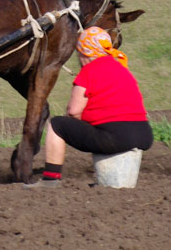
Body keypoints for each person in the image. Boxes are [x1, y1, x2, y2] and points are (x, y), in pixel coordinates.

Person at [26, 26, 152, 187]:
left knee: (57, 125)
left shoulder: (89, 71)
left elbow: (73, 111)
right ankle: (111, 181)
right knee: (103, 133)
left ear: (82, 52)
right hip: (143, 135)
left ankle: (51, 178)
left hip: (115, 137)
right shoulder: (122, 69)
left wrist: (83, 121)